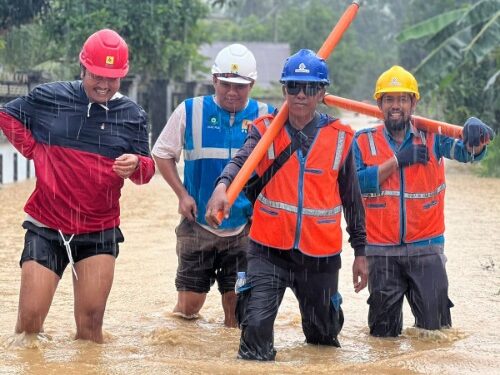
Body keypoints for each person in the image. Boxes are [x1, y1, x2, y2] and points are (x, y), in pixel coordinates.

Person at [205, 49, 368, 360]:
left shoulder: (341, 138)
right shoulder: (264, 130)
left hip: (320, 255)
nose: (301, 95)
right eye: (293, 86)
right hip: (268, 251)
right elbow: (241, 161)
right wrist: (222, 186)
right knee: (254, 338)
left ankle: (327, 317)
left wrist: (362, 252)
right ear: (284, 90)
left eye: (309, 88)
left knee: (322, 343)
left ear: (322, 92)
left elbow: (352, 201)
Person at [0, 29, 155, 343]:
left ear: (122, 77)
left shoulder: (132, 116)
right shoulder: (49, 97)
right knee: (29, 324)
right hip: (47, 224)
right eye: (97, 75)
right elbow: (7, 115)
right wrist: (33, 149)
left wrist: (137, 165)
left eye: (112, 78)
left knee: (90, 326)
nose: (104, 84)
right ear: (82, 68)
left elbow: (146, 172)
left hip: (99, 229)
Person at [353, 65, 495, 337]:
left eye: (402, 99)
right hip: (381, 253)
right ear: (380, 104)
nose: (396, 106)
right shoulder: (363, 141)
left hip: (427, 250)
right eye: (389, 100)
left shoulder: (434, 137)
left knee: (436, 335)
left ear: (413, 103)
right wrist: (396, 161)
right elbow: (354, 184)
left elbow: (470, 153)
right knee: (383, 339)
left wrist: (477, 137)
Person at [152, 44, 274, 327]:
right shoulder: (190, 110)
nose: (232, 92)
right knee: (188, 307)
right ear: (214, 80)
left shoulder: (267, 116)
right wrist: (182, 195)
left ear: (252, 84)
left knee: (236, 312)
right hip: (197, 226)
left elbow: (280, 169)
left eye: (240, 86)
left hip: (244, 230)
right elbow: (162, 152)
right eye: (225, 84)